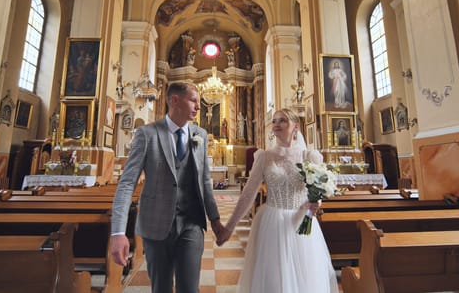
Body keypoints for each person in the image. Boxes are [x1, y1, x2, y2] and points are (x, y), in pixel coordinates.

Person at [110, 82, 225, 293]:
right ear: (175, 100)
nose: (199, 107)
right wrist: (118, 232)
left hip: (191, 222)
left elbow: (205, 181)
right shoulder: (147, 134)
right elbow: (127, 184)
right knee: (161, 288)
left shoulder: (200, 134)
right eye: (194, 101)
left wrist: (215, 220)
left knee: (189, 289)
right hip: (156, 225)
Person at [216, 108, 339, 293]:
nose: (276, 124)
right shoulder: (264, 157)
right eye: (274, 121)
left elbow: (318, 190)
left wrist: (316, 203)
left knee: (305, 277)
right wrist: (229, 227)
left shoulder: (309, 156)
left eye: (283, 120)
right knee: (273, 278)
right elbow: (249, 193)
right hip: (272, 222)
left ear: (295, 127)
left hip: (302, 221)